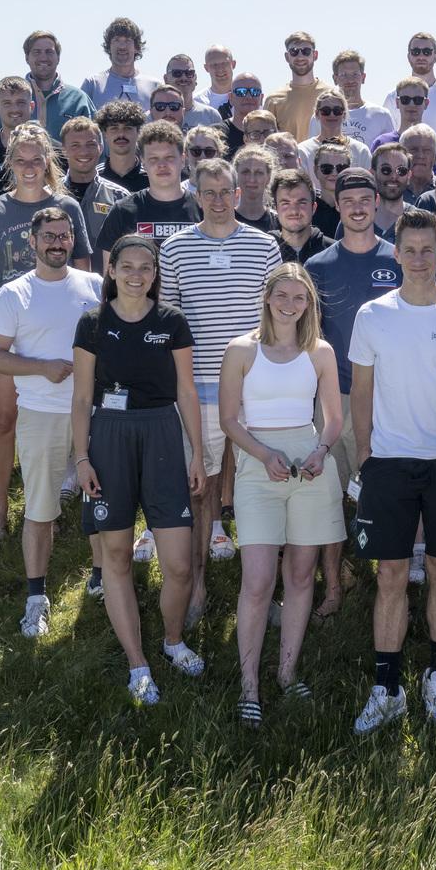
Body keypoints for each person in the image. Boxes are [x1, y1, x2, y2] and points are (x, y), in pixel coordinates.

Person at [348, 208, 436, 732]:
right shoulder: (372, 315)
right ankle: (386, 688)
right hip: (388, 462)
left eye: (428, 249)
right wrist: (366, 454)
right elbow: (361, 391)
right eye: (409, 250)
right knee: (390, 574)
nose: (418, 258)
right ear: (396, 254)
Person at [72, 233, 206, 704]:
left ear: (155, 274)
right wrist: (82, 457)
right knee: (117, 556)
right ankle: (137, 663)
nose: (135, 275)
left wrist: (197, 453)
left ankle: (172, 640)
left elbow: (186, 391)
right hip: (109, 435)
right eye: (126, 266)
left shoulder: (172, 321)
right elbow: (81, 397)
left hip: (162, 433)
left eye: (145, 267)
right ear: (111, 271)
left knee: (179, 565)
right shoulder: (92, 323)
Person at [220, 263, 345, 725]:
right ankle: (248, 683)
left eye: (299, 297)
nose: (290, 305)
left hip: (309, 463)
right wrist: (263, 453)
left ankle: (287, 672)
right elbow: (229, 420)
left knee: (300, 575)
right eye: (282, 295)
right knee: (257, 581)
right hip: (258, 462)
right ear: (267, 298)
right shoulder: (241, 350)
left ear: (309, 303)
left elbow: (333, 418)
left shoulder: (320, 352)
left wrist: (322, 451)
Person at [158, 158, 282, 623]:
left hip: (255, 388)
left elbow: (276, 317)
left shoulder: (264, 245)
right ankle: (197, 586)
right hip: (197, 390)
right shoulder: (175, 249)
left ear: (238, 193)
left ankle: (264, 589)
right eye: (207, 192)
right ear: (196, 196)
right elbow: (168, 321)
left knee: (261, 487)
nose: (216, 200)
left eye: (224, 191)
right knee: (201, 487)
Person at [0, 124, 92, 538]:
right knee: (3, 420)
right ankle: (1, 509)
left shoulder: (66, 207)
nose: (29, 167)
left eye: (36, 159)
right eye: (20, 160)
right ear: (10, 163)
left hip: (57, 328)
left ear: (47, 161)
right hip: (9, 329)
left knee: (64, 419)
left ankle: (51, 504)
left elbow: (84, 271)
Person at [0, 207, 103, 632]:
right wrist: (41, 367)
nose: (57, 243)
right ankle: (36, 598)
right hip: (41, 413)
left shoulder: (95, 285)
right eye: (48, 236)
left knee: (101, 500)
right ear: (32, 242)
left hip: (97, 412)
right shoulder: (13, 294)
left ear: (73, 240)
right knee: (39, 507)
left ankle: (101, 579)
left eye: (64, 235)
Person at [305, 169, 402, 612]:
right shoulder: (318, 266)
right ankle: (333, 586)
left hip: (390, 398)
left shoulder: (398, 258)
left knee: (387, 492)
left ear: (377, 202)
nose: (358, 208)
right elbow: (309, 338)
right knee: (329, 497)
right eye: (349, 201)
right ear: (337, 206)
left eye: (366, 200)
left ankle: (389, 578)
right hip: (335, 400)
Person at [95, 122, 200, 266]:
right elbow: (110, 272)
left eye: (169, 157)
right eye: (153, 159)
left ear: (183, 160)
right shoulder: (122, 211)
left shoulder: (202, 208)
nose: (162, 165)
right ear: (143, 162)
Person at [0, 30, 95, 141]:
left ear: (58, 58)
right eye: (37, 52)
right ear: (27, 58)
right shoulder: (5, 102)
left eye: (49, 52)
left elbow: (94, 142)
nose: (43, 57)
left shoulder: (78, 100)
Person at [60, 116, 128, 274]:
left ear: (101, 147)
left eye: (90, 144)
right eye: (75, 145)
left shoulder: (120, 197)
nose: (84, 151)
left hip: (105, 286)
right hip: (58, 286)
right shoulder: (49, 195)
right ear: (63, 150)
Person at [382, 33, 436, 136]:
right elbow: (388, 139)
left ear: (435, 57)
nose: (421, 56)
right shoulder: (393, 97)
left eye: (427, 52)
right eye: (415, 52)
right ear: (409, 57)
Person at [310, 50, 393, 146]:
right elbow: (312, 150)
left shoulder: (381, 115)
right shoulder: (322, 116)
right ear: (335, 79)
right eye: (344, 75)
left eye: (355, 74)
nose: (350, 80)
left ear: (363, 77)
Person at [80, 17, 160, 110]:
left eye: (127, 40)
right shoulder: (92, 85)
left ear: (137, 47)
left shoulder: (155, 86)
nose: (122, 46)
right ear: (109, 47)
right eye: (116, 40)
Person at [265, 31, 332, 141]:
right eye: (294, 51)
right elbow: (267, 141)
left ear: (315, 55)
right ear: (287, 57)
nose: (300, 56)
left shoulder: (331, 95)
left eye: (306, 51)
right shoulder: (273, 100)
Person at [372, 77, 436, 172]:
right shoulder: (382, 142)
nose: (411, 104)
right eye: (405, 99)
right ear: (397, 103)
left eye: (418, 100)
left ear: (426, 103)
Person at [297, 88, 371, 176]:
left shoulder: (361, 151)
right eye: (326, 111)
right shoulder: (303, 151)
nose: (332, 115)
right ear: (317, 114)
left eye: (337, 110)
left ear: (344, 114)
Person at [272, 168, 332, 263]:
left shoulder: (334, 253)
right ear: (276, 208)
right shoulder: (263, 251)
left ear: (314, 207)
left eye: (301, 203)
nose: (294, 211)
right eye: (285, 203)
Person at [94, 100, 148, 193]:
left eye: (128, 128)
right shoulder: (95, 176)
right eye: (114, 128)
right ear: (105, 134)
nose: (121, 134)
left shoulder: (152, 177)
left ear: (139, 133)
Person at [162, 53, 223, 131]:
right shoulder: (153, 117)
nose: (184, 77)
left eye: (189, 73)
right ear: (166, 79)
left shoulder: (211, 116)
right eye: (177, 73)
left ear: (195, 78)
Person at [370, 143, 416, 236]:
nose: (394, 177)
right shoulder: (354, 221)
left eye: (401, 170)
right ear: (373, 174)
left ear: (409, 176)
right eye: (386, 169)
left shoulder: (423, 222)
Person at [310, 142, 352, 236]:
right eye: (326, 168)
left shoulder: (356, 207)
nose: (334, 173)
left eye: (341, 168)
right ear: (315, 170)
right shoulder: (307, 206)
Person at [233, 145, 277, 231]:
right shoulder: (225, 219)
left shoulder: (279, 222)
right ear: (236, 175)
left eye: (259, 173)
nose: (252, 179)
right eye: (245, 172)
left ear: (268, 178)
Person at [220, 74, 265, 158]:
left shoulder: (269, 133)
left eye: (255, 92)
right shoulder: (218, 133)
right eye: (241, 92)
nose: (249, 97)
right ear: (231, 98)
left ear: (261, 98)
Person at [195, 45, 237, 112]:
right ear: (206, 68)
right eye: (214, 65)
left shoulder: (247, 98)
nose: (220, 69)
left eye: (224, 63)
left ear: (233, 64)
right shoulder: (197, 101)